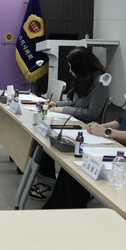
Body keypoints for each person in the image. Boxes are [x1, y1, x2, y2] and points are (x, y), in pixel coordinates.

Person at [44, 52, 126, 211]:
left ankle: (69, 209)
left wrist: (105, 132)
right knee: (72, 165)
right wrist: (97, 127)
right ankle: (57, 209)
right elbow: (121, 120)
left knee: (80, 167)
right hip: (121, 148)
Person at [29, 47, 109, 200]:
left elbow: (91, 114)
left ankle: (48, 184)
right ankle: (45, 179)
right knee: (41, 136)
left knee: (48, 139)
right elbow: (73, 103)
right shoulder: (83, 78)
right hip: (73, 122)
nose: (70, 70)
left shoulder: (100, 83)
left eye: (72, 67)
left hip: (85, 128)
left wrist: (61, 109)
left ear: (81, 67)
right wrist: (56, 104)